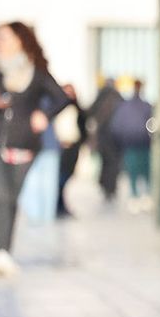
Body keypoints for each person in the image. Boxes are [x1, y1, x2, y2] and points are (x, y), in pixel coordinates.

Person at [0, 22, 69, 275]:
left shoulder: (35, 70)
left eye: (5, 37)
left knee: (11, 198)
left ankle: (6, 249)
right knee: (0, 195)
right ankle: (2, 253)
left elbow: (62, 97)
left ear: (20, 40)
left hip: (24, 145)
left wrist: (44, 114)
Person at [108, 80, 154, 208]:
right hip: (140, 142)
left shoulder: (125, 106)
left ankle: (137, 196)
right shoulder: (145, 106)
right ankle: (143, 195)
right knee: (142, 170)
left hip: (132, 142)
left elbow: (116, 125)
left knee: (136, 170)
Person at [88, 78, 124, 202]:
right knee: (113, 162)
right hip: (116, 136)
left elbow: (90, 112)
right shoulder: (118, 97)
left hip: (103, 135)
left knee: (106, 162)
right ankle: (111, 187)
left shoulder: (101, 96)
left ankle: (105, 185)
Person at [55, 83, 86, 219]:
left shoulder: (76, 109)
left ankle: (60, 205)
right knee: (61, 178)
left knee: (65, 176)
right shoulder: (59, 108)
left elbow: (83, 127)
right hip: (64, 148)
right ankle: (58, 206)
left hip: (73, 147)